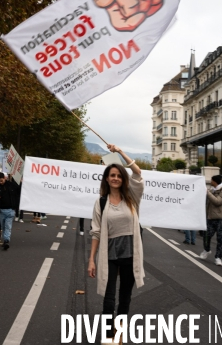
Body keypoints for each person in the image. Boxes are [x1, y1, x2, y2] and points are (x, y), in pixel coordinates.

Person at [87, 144, 144, 342]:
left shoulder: (132, 198)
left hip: (130, 253)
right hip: (109, 254)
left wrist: (119, 152)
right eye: (112, 175)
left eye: (119, 175)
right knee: (109, 298)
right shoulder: (101, 202)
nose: (116, 178)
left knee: (125, 297)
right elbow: (96, 232)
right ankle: (108, 335)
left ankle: (119, 333)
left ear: (123, 178)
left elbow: (137, 172)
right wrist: (91, 260)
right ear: (106, 179)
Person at [200, 175, 222, 266]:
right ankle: (207, 250)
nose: (210, 181)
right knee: (206, 236)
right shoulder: (212, 190)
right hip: (210, 217)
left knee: (220, 239)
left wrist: (207, 193)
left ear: (214, 181)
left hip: (221, 218)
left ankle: (218, 257)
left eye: (211, 180)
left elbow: (217, 202)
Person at [0, 173, 17, 250]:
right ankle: (5, 240)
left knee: (7, 226)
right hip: (1, 210)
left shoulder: (11, 185)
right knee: (3, 226)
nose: (0, 182)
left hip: (10, 209)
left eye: (1, 180)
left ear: (5, 178)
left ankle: (6, 240)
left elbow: (18, 192)